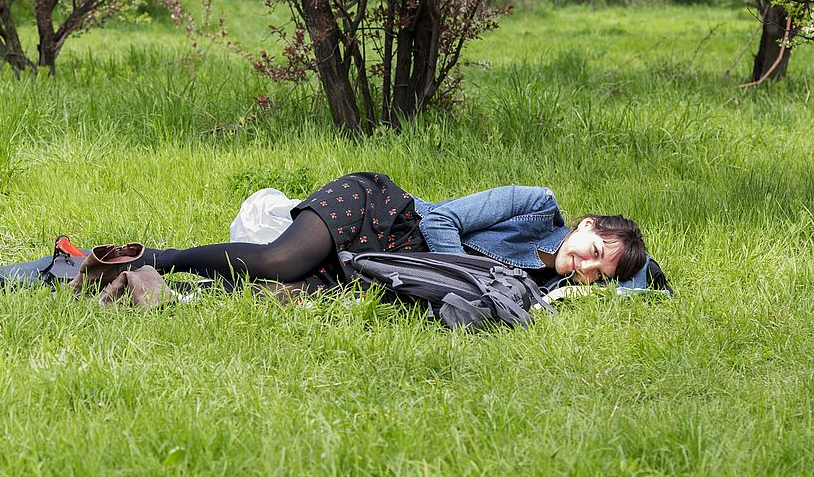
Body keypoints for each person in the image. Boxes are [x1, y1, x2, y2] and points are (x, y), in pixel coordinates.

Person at [72, 172, 647, 301]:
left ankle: (135, 279)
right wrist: (463, 273)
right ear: (588, 225)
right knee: (278, 260)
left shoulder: (547, 286)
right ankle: (156, 255)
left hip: (387, 265)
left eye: (599, 272)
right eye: (594, 251)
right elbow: (441, 218)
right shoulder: (534, 206)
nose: (587, 268)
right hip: (381, 213)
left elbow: (642, 286)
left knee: (279, 290)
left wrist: (625, 280)